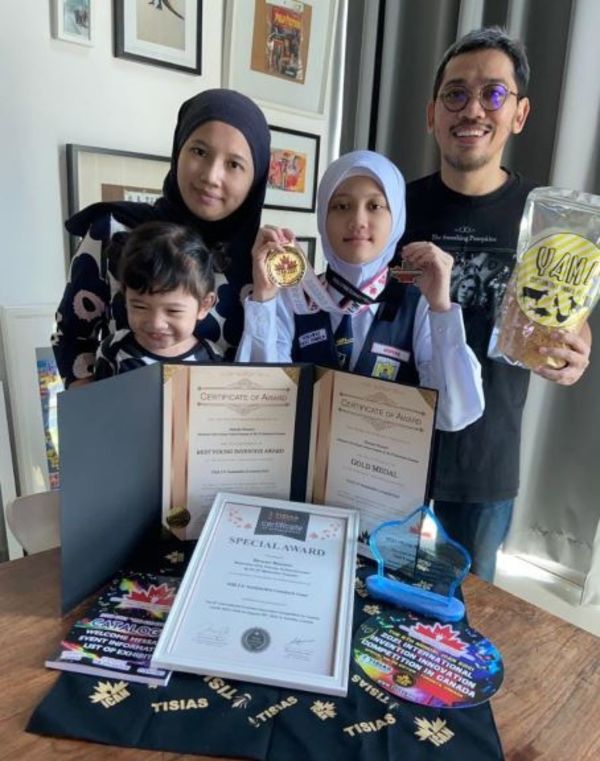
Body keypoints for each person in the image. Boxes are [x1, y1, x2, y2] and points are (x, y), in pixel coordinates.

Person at [398, 27, 592, 581]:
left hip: (485, 467)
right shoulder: (390, 206)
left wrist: (577, 347)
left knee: (464, 624)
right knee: (373, 610)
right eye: (455, 94)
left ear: (520, 114)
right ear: (432, 113)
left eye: (494, 94)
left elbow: (569, 318)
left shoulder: (547, 220)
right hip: (388, 449)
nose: (473, 109)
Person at [237, 149, 485, 433]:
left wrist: (442, 309)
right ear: (322, 218)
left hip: (385, 474)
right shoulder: (294, 298)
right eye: (341, 206)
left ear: (397, 219)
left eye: (375, 206)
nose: (358, 220)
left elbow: (453, 415)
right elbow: (258, 404)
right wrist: (264, 297)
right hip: (301, 475)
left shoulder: (419, 303)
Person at [52, 88, 271, 386]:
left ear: (255, 178)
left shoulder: (261, 262)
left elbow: (277, 362)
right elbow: (72, 335)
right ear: (179, 148)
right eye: (199, 151)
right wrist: (93, 408)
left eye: (234, 164)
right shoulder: (114, 231)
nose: (211, 176)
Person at [94, 221, 222, 378]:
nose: (156, 324)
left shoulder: (213, 358)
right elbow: (99, 400)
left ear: (204, 306)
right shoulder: (113, 350)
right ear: (125, 297)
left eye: (173, 310)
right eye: (140, 307)